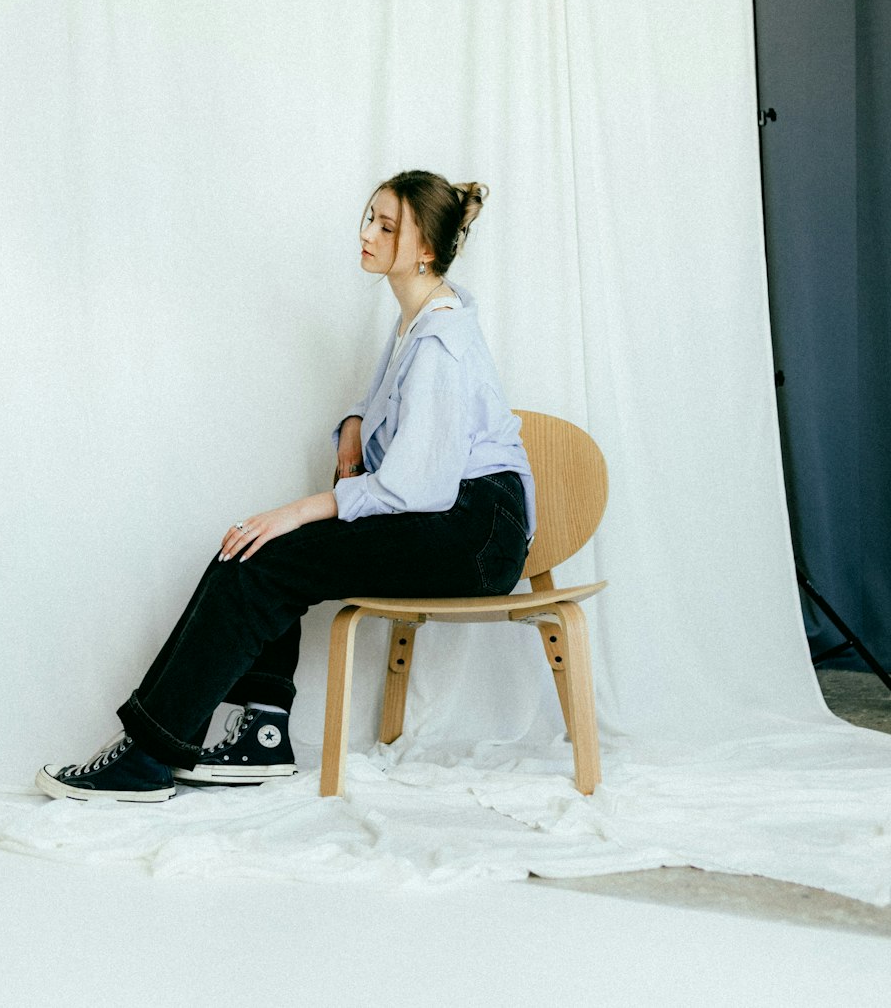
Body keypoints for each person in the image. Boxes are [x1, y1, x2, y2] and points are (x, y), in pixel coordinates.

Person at [36, 170, 536, 802]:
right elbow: (403, 427)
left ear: (426, 250)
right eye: (369, 217)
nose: (367, 233)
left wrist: (299, 511)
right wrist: (356, 420)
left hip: (475, 531)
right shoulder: (420, 317)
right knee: (255, 553)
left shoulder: (440, 338)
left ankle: (148, 757)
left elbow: (419, 486)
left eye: (387, 226)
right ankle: (261, 735)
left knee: (269, 550)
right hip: (463, 518)